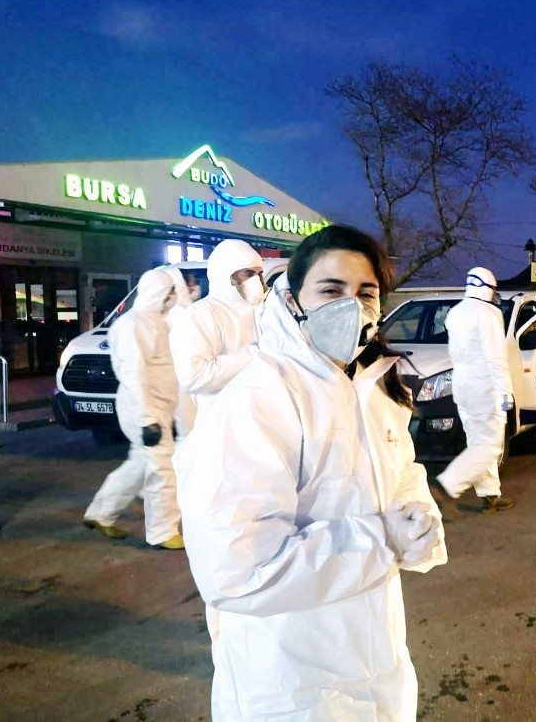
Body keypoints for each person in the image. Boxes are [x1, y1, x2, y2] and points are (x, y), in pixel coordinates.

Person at [174, 225, 447, 721]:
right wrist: (382, 540)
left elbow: (401, 469)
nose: (351, 305)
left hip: (375, 657)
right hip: (289, 681)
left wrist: (418, 517)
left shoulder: (371, 385)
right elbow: (237, 570)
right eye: (330, 290)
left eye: (366, 292)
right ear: (293, 298)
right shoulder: (258, 398)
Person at [84, 269, 183, 549]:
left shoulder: (155, 322)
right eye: (170, 292)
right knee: (162, 469)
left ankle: (101, 513)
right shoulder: (132, 325)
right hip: (143, 411)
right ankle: (163, 532)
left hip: (155, 409)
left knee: (139, 464)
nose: (173, 298)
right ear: (156, 293)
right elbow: (134, 374)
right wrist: (148, 419)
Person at [433, 266, 515, 515]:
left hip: (462, 384)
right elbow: (495, 357)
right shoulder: (487, 313)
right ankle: (446, 486)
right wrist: (505, 390)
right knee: (489, 445)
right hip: (484, 386)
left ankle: (490, 495)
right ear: (487, 288)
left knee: (477, 440)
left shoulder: (455, 313)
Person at [170, 240, 264, 427]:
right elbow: (193, 376)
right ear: (226, 275)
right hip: (222, 426)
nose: (257, 280)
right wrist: (256, 354)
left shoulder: (263, 309)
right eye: (249, 273)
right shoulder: (201, 315)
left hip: (263, 421)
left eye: (259, 274)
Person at [163, 267, 201, 439]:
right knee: (189, 429)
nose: (197, 286)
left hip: (177, 378)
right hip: (185, 377)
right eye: (193, 282)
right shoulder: (183, 313)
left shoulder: (174, 310)